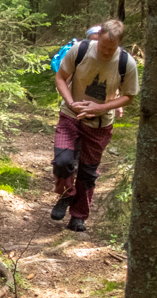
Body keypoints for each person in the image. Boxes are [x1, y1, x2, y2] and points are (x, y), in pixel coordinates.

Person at [51, 20, 139, 232]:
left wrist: (103, 108)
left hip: (100, 124)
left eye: (112, 48)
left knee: (88, 172)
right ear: (98, 38)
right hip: (70, 115)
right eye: (103, 46)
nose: (107, 52)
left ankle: (79, 216)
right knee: (62, 161)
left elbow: (129, 96)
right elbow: (61, 77)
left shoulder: (127, 63)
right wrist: (71, 102)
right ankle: (66, 195)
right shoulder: (79, 50)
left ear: (119, 43)